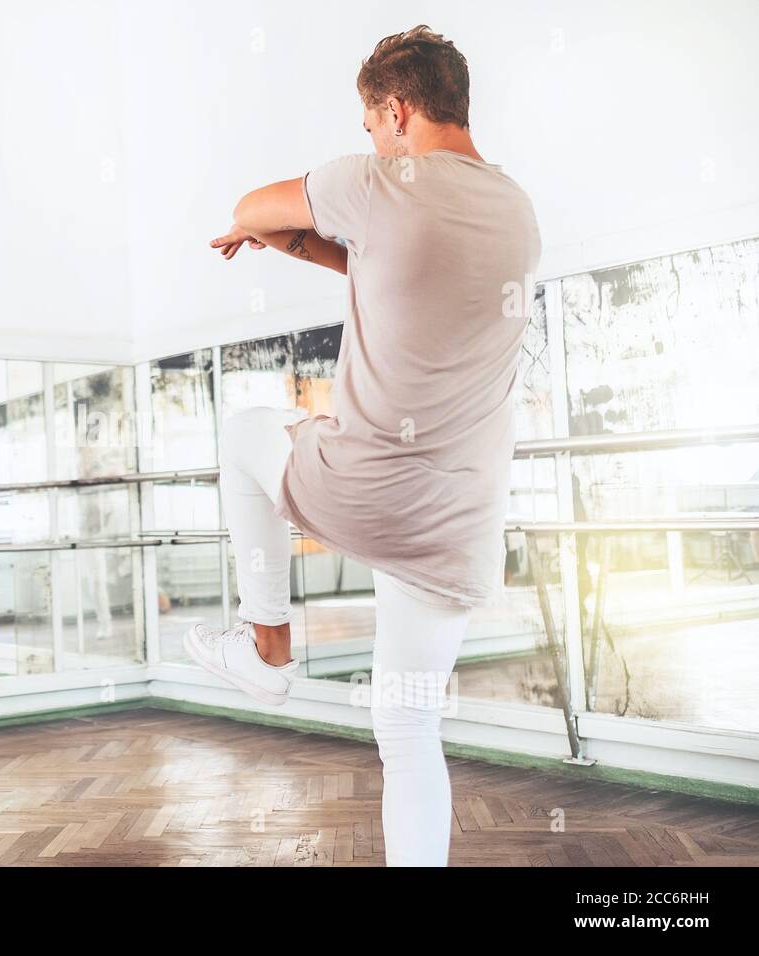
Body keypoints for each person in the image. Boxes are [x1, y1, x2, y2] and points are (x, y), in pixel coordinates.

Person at [189, 25, 541, 866]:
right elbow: (396, 277)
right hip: (455, 529)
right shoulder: (516, 210)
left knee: (244, 432)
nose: (371, 140)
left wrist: (276, 230)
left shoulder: (377, 181)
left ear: (396, 109)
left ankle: (267, 644)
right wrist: (309, 247)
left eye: (370, 123)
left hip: (365, 489)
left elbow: (248, 209)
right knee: (410, 728)